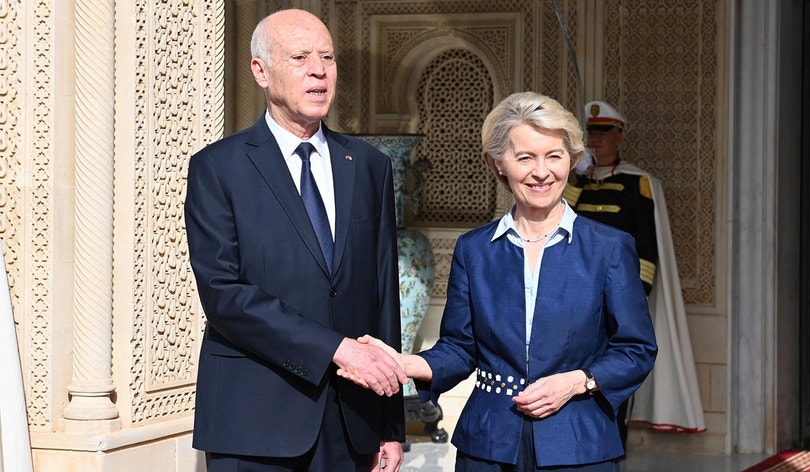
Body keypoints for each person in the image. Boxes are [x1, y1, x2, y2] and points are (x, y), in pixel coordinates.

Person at [342, 91, 658, 471]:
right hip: (488, 446)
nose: (541, 172)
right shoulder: (474, 249)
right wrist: (404, 363)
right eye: (525, 157)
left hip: (579, 447)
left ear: (572, 160)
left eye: (554, 156)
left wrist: (578, 381)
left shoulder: (609, 247)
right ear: (498, 164)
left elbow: (636, 349)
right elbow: (460, 349)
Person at [184, 9, 407, 472]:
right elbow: (224, 295)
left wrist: (389, 423)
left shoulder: (369, 166)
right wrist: (336, 349)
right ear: (261, 71)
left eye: (327, 57)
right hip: (254, 422)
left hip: (353, 420)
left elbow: (384, 294)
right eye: (300, 57)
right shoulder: (218, 168)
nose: (319, 71)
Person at [564, 101, 706, 439]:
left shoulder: (637, 182)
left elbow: (646, 242)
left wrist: (637, 293)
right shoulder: (577, 181)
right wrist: (577, 177)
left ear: (619, 137)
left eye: (603, 133)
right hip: (574, 290)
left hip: (617, 290)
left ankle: (615, 437)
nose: (596, 140)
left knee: (613, 366)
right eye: (592, 133)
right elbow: (557, 218)